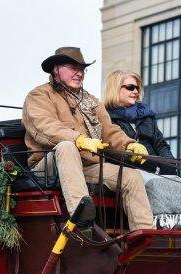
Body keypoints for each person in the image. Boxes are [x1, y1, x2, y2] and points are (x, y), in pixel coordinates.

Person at [22, 47, 154, 232]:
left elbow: (109, 131)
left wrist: (130, 145)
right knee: (67, 147)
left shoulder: (91, 101)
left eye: (82, 69)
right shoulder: (39, 95)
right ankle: (81, 218)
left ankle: (144, 235)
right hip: (48, 166)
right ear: (56, 69)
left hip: (86, 166)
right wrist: (79, 140)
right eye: (73, 68)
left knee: (131, 177)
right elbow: (44, 127)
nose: (80, 73)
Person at [103, 69, 181, 231]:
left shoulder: (146, 115)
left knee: (177, 182)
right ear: (115, 88)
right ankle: (157, 227)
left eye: (137, 88)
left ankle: (176, 227)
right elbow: (111, 150)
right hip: (129, 168)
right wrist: (152, 166)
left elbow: (160, 144)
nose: (135, 91)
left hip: (156, 166)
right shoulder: (105, 117)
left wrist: (170, 165)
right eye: (130, 87)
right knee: (155, 182)